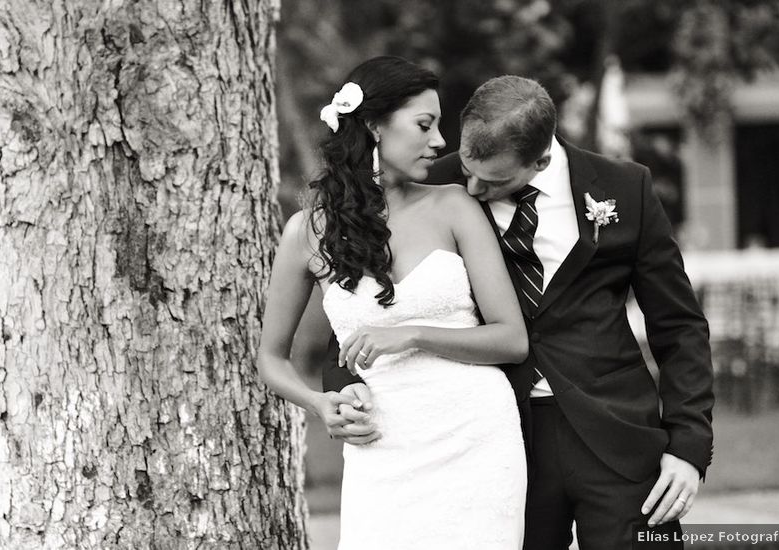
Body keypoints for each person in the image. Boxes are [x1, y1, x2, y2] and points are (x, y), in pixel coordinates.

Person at [324, 76, 715, 550]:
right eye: (467, 168)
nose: (471, 186)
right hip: (491, 445)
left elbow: (678, 325)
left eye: (492, 182)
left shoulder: (625, 187)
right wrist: (343, 387)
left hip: (618, 439)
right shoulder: (434, 185)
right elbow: (363, 307)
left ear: (541, 159)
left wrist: (688, 448)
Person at [257, 57, 531, 549]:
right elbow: (270, 358)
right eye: (424, 124)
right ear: (373, 125)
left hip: (477, 441)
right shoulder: (306, 232)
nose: (440, 140)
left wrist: (412, 333)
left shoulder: (454, 206)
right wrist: (322, 405)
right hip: (380, 445)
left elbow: (512, 339)